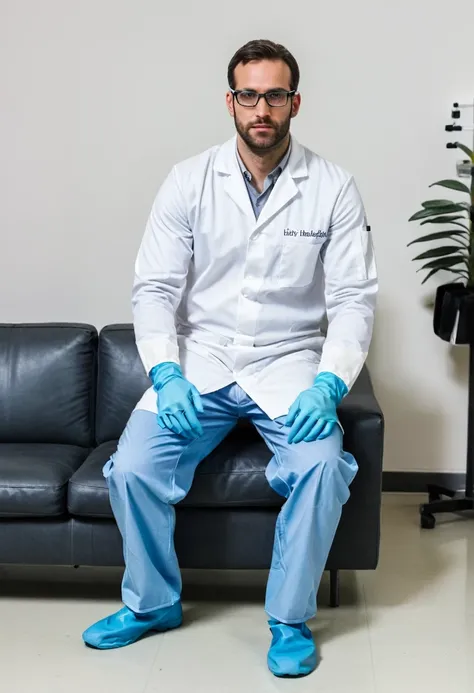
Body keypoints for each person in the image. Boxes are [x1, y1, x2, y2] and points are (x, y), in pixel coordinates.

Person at [82, 38, 377, 678]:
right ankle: (153, 604)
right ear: (231, 102)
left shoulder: (332, 187)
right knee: (131, 467)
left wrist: (327, 386)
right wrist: (165, 371)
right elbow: (155, 289)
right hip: (200, 363)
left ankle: (290, 619)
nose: (261, 109)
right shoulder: (189, 180)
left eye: (275, 95)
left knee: (323, 467)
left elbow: (353, 300)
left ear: (295, 102)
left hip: (290, 363)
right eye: (249, 95)